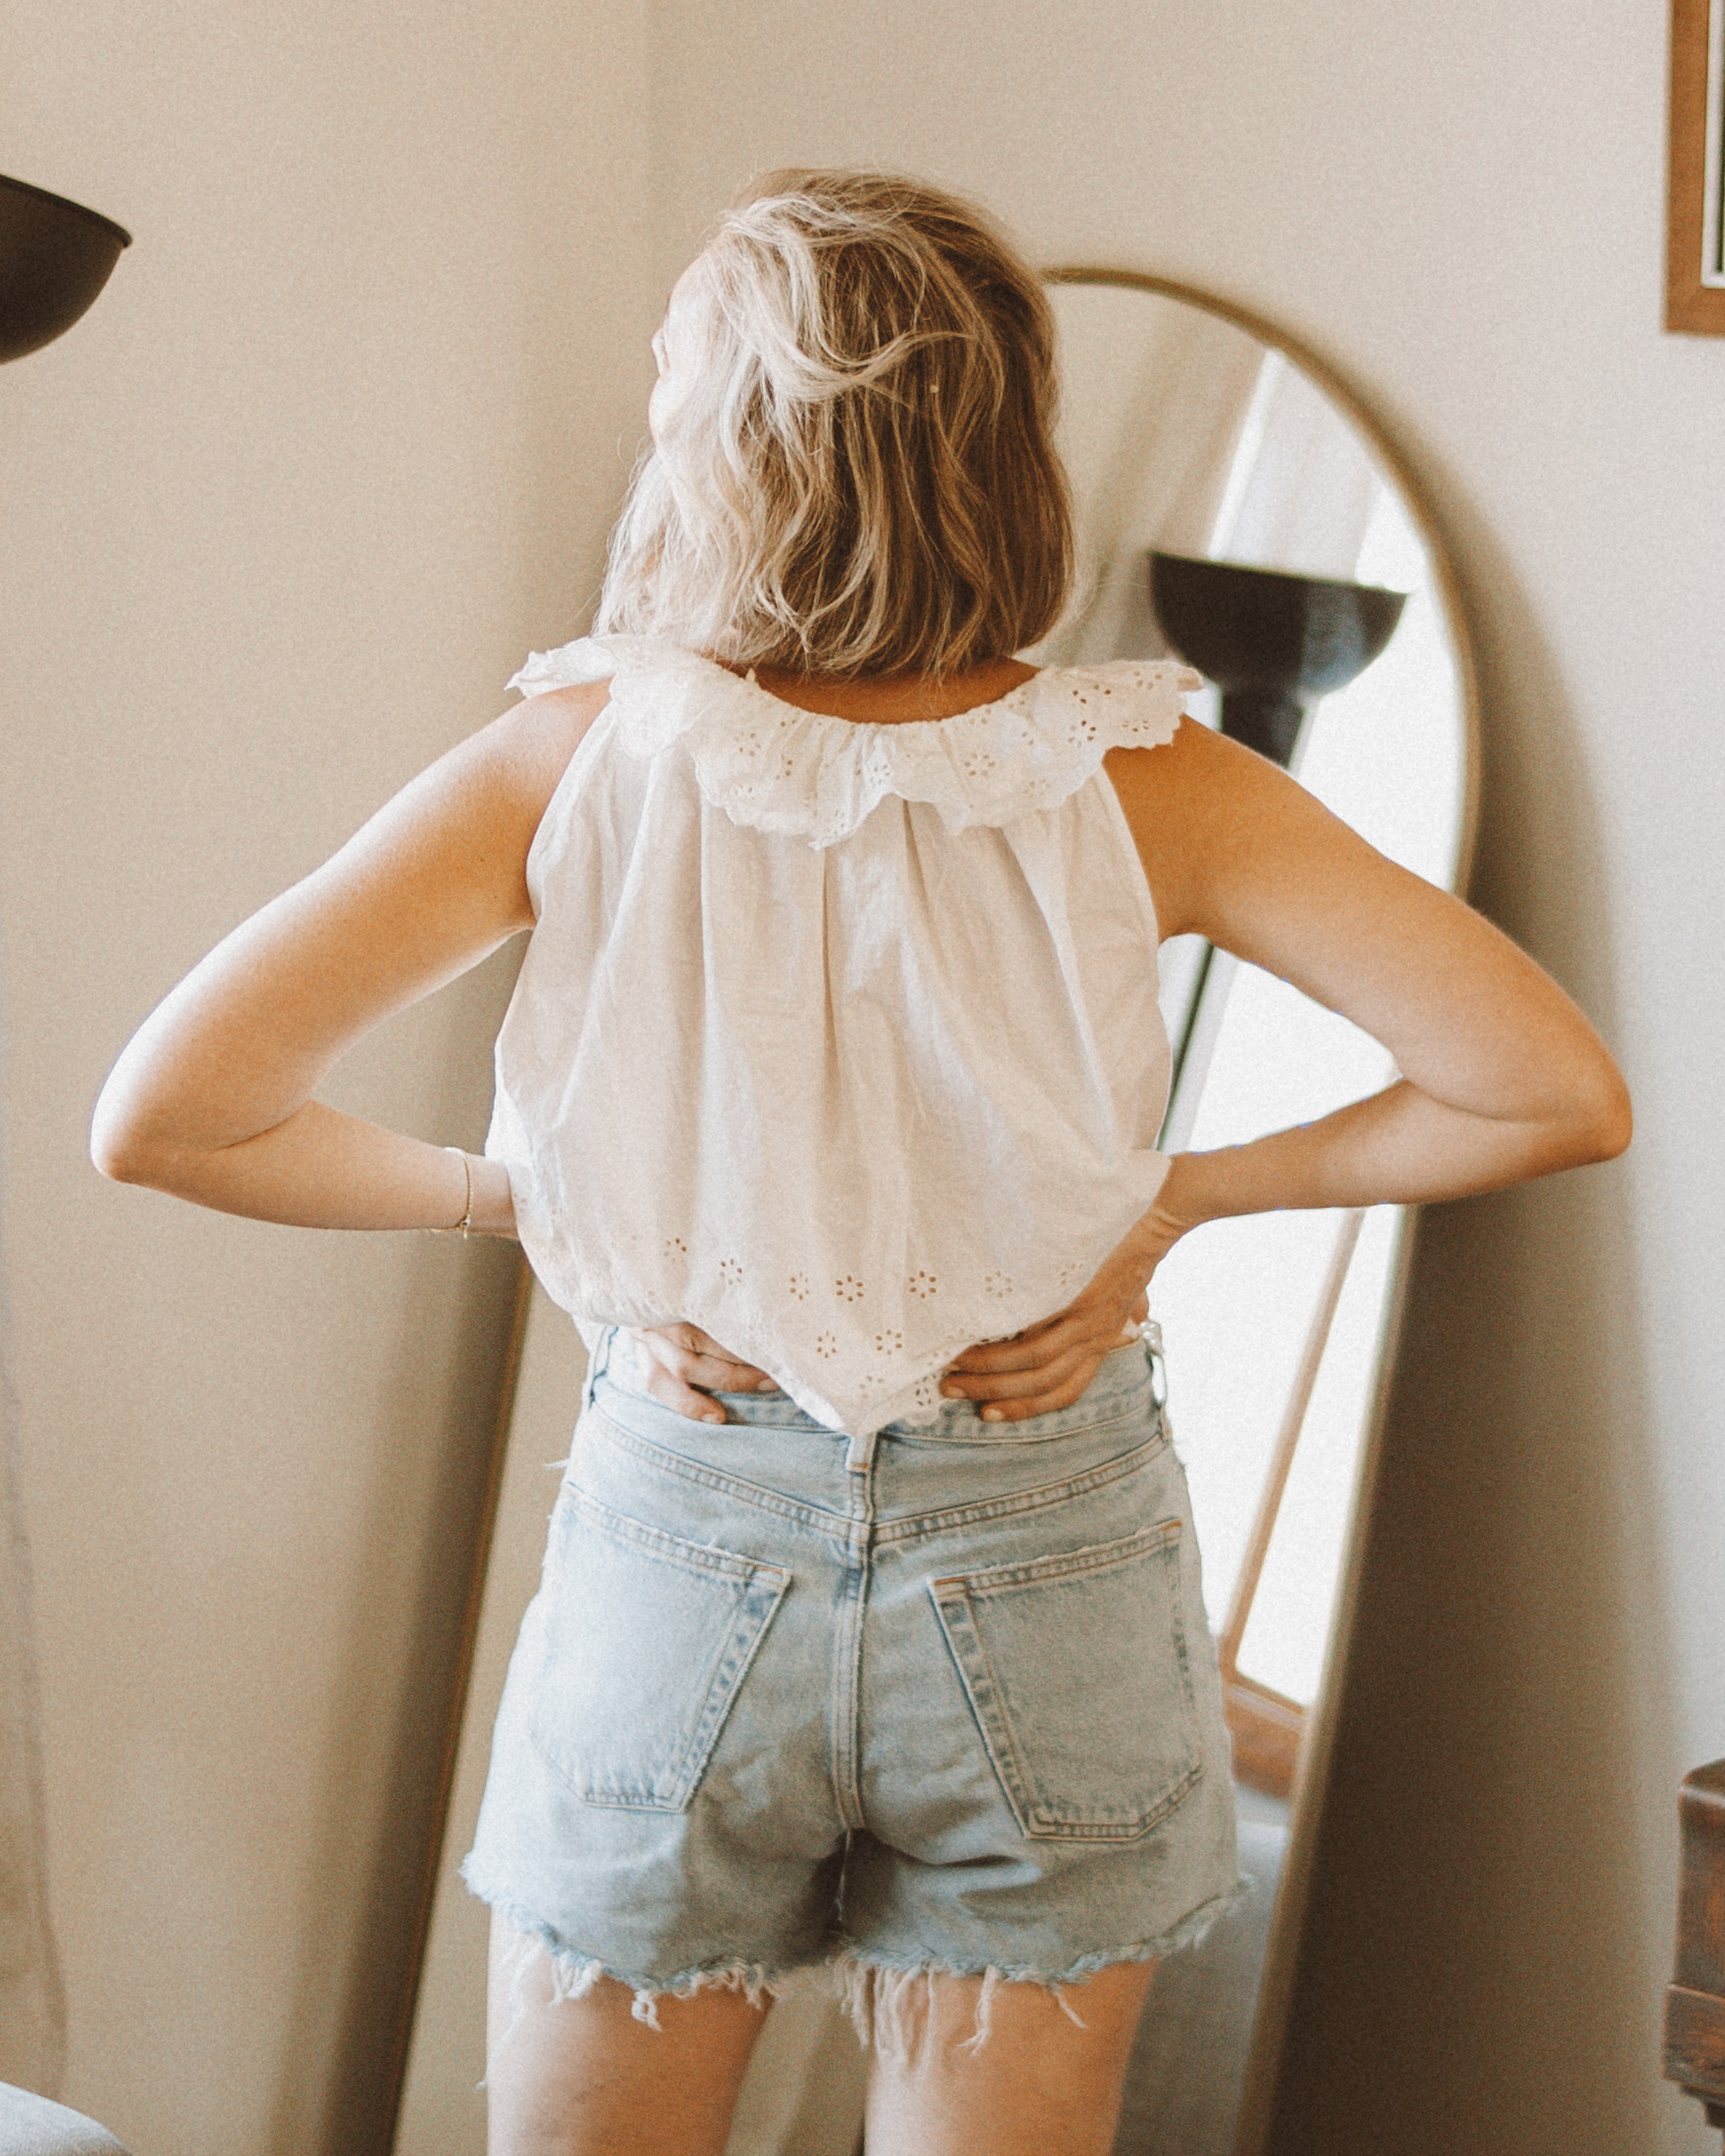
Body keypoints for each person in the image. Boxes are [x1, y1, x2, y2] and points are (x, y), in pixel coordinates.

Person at [91, 170, 1630, 2156]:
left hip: (689, 1518)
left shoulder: (573, 761)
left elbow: (172, 1117)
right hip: (1046, 1539)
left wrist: (540, 1211)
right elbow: (1540, 1089)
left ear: (721, 454)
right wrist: (1175, 1201)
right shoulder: (1151, 778)